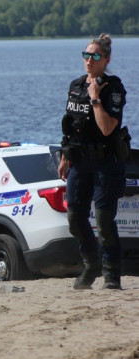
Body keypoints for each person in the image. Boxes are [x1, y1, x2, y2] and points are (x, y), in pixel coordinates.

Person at [58, 33, 128, 290]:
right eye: (86, 55)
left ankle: (111, 277)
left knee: (104, 220)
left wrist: (96, 98)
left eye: (95, 56)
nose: (89, 60)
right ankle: (91, 263)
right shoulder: (75, 86)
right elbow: (70, 127)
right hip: (79, 162)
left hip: (106, 165)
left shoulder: (113, 88)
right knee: (75, 218)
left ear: (106, 59)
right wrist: (65, 157)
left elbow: (108, 128)